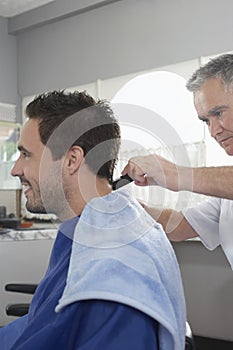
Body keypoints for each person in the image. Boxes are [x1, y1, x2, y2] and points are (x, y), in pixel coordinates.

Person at [0, 90, 186, 350]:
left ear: (72, 160)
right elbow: (37, 324)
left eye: (26, 155)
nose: (15, 169)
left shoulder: (114, 275)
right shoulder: (83, 230)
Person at [122, 53, 233, 269]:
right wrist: (119, 204)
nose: (214, 131)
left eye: (218, 113)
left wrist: (175, 174)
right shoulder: (226, 198)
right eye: (206, 121)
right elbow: (178, 227)